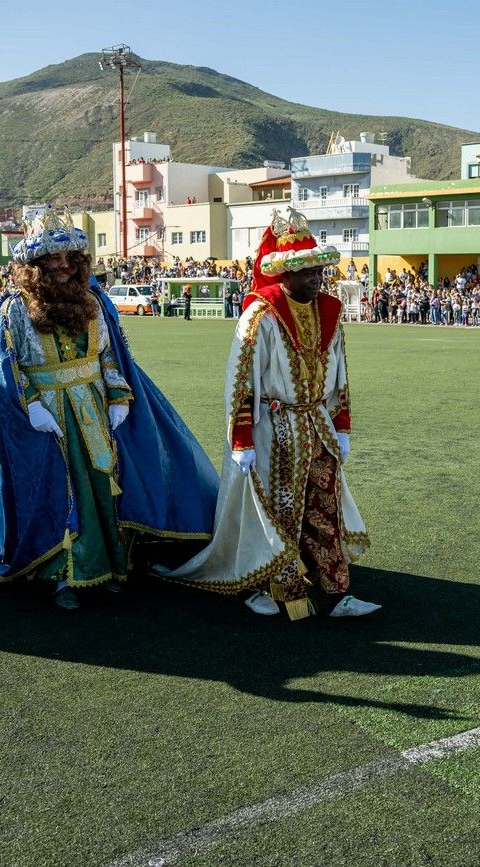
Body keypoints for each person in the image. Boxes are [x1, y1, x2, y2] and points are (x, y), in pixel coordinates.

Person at [0, 209, 217, 608]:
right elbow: (9, 368)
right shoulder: (13, 309)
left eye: (70, 258)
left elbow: (110, 358)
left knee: (103, 487)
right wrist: (31, 406)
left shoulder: (92, 301)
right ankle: (65, 576)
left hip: (94, 410)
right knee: (61, 491)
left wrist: (119, 397)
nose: (64, 266)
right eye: (53, 259)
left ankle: (111, 567)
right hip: (49, 416)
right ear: (34, 265)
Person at [156, 208, 376, 620]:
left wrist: (341, 425)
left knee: (323, 508)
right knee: (274, 513)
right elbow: (242, 381)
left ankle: (335, 591)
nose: (316, 277)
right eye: (306, 271)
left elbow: (341, 375)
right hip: (273, 431)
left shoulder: (329, 313)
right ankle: (267, 587)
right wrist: (241, 440)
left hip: (317, 427)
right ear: (283, 275)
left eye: (318, 270)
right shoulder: (260, 316)